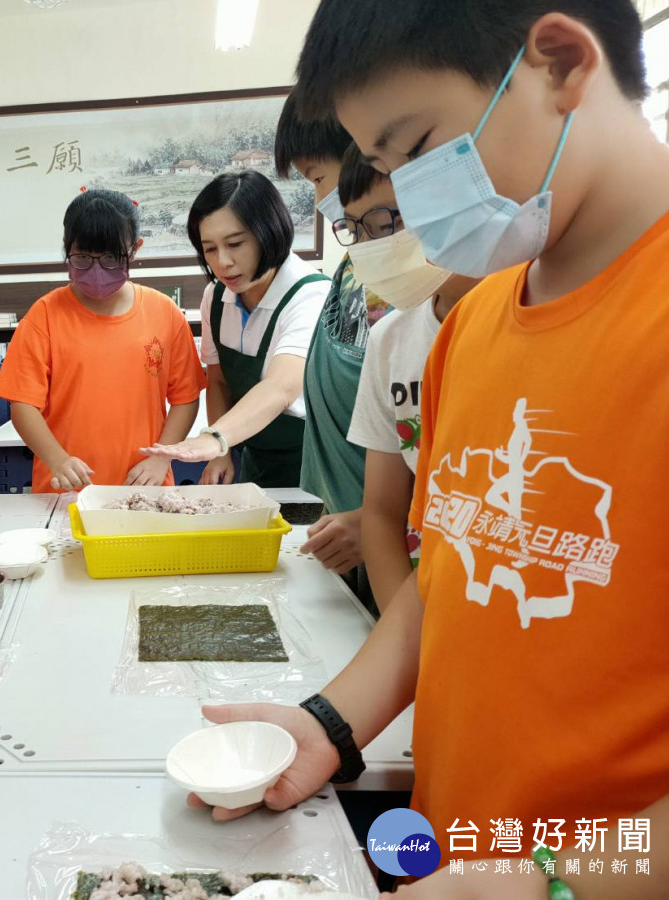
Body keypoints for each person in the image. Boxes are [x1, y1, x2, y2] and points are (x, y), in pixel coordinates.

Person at [192, 3, 669, 897]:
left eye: (417, 150)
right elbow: (446, 581)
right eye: (382, 167)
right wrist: (330, 724)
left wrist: (541, 881)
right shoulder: (471, 325)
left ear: (560, 64)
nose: (406, 199)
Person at [338, 151, 480, 612]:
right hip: (421, 598)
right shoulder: (390, 339)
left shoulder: (518, 319)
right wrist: (404, 647)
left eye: (384, 223)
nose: (371, 245)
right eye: (355, 230)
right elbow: (381, 512)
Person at [0, 188, 205, 493]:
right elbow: (23, 405)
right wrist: (58, 460)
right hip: (66, 492)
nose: (96, 270)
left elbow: (185, 398)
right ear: (66, 248)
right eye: (81, 258)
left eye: (110, 258)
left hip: (145, 486)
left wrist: (162, 458)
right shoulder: (44, 316)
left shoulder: (165, 313)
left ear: (134, 250)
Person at [142, 171, 327, 489]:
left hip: (316, 463)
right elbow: (218, 382)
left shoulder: (311, 294)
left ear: (269, 232)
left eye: (235, 244)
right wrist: (221, 453)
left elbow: (280, 388)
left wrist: (214, 438)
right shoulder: (215, 297)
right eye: (210, 249)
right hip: (257, 459)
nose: (222, 262)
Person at [274, 93, 392, 582]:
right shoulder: (355, 262)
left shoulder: (405, 270)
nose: (322, 196)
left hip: (391, 539)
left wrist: (379, 522)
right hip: (345, 526)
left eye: (318, 177)